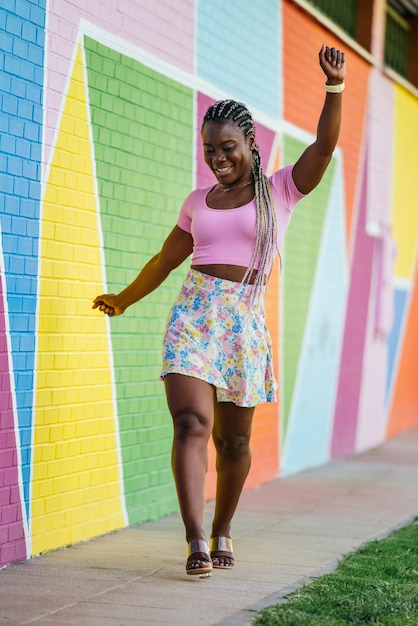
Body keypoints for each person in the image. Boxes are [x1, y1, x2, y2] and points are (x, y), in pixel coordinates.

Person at [93, 44, 346, 577]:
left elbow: (324, 146)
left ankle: (223, 528)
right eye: (210, 149)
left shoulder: (281, 190)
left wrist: (334, 88)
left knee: (233, 441)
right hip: (193, 317)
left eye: (227, 147)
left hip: (243, 324)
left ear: (251, 144)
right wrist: (122, 297)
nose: (217, 158)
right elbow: (165, 259)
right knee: (190, 422)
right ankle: (194, 542)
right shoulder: (196, 201)